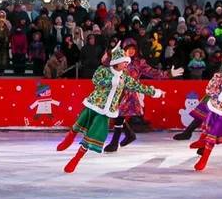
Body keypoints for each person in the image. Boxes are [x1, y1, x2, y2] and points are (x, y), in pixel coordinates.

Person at [56, 45, 165, 173]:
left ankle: (76, 159)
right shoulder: (103, 70)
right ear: (117, 63)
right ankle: (69, 138)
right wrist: (112, 80)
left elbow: (138, 86)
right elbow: (96, 80)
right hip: (94, 105)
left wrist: (155, 92)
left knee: (91, 137)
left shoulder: (125, 77)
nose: (126, 65)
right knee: (78, 125)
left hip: (106, 112)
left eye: (127, 62)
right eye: (124, 62)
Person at [104, 38, 182, 153]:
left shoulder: (139, 62)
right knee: (115, 115)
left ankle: (115, 143)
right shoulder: (118, 59)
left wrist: (169, 74)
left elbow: (153, 72)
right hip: (116, 90)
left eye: (133, 49)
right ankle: (129, 134)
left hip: (129, 93)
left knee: (118, 115)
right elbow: (106, 64)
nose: (131, 51)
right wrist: (111, 53)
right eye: (128, 49)